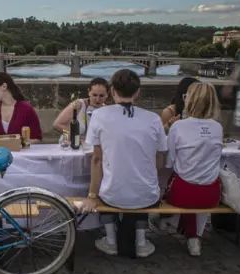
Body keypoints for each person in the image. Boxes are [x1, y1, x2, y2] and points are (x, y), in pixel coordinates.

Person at [79, 69, 168, 258]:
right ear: (137, 92)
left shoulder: (100, 116)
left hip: (113, 195)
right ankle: (142, 241)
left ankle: (111, 239)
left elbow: (97, 159)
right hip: (147, 194)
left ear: (112, 91)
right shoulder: (153, 119)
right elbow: (160, 158)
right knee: (140, 183)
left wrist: (92, 195)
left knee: (109, 185)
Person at [164, 82, 223, 256]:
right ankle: (192, 236)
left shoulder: (178, 126)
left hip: (185, 194)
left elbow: (170, 162)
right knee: (195, 182)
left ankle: (181, 228)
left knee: (180, 182)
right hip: (211, 194)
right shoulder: (217, 127)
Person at [0, 72, 42, 141]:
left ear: (4, 86)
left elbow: (37, 138)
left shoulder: (26, 109)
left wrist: (19, 145)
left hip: (22, 151)